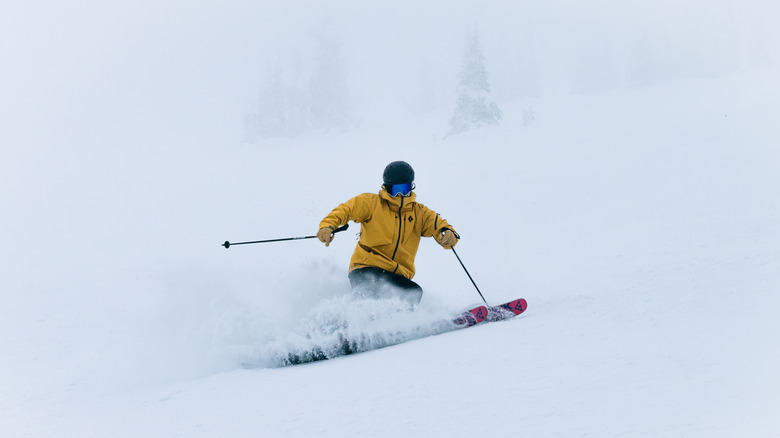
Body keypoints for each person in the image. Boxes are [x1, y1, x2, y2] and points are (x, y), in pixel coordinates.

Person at [317, 161, 459, 305]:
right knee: (370, 290)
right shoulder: (372, 203)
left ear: (411, 187)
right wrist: (327, 226)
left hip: (396, 275)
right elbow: (345, 210)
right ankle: (351, 318)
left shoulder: (419, 213)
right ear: (387, 188)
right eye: (395, 189)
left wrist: (448, 234)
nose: (400, 195)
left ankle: (399, 323)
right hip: (366, 267)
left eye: (405, 189)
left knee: (413, 293)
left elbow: (438, 225)